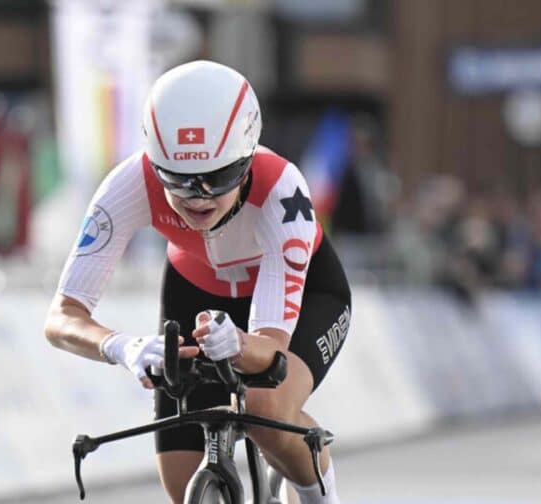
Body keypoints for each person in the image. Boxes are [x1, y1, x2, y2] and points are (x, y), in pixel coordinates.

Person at [44, 60, 351, 504]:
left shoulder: (283, 192)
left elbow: (272, 349)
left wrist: (243, 346)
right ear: (154, 164)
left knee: (266, 413)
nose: (198, 198)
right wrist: (122, 346)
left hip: (308, 295)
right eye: (178, 181)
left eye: (218, 178)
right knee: (180, 479)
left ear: (246, 162)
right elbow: (61, 317)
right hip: (195, 293)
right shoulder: (130, 184)